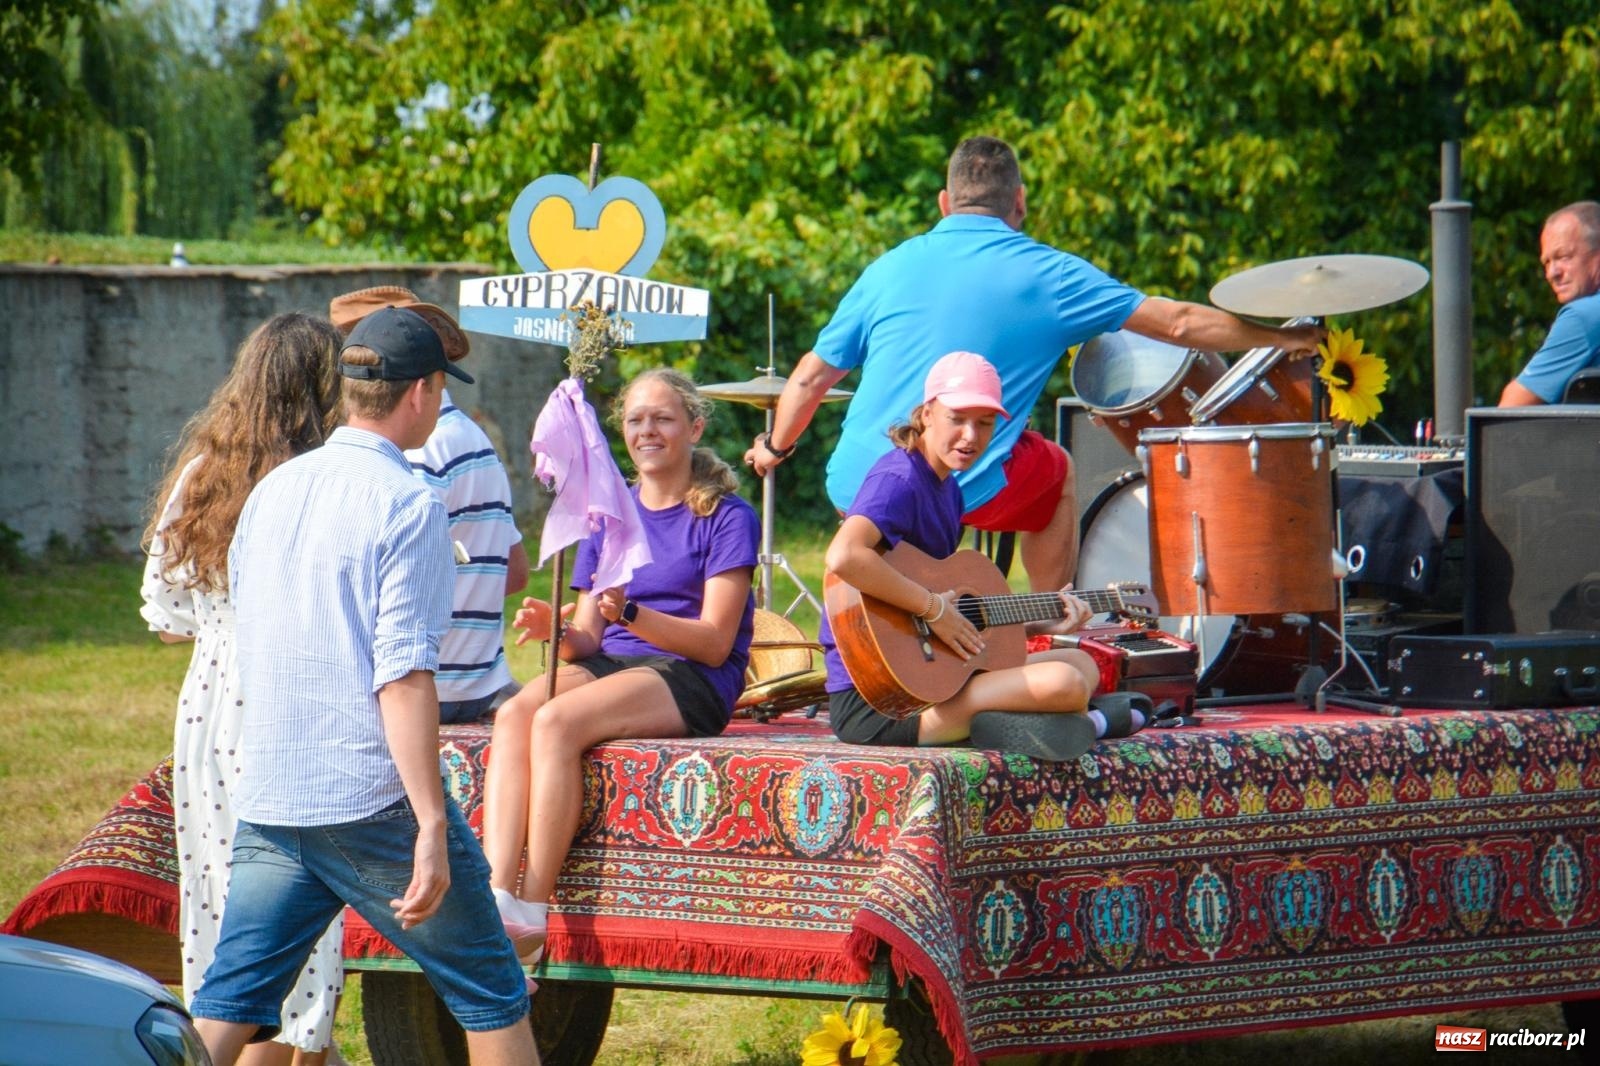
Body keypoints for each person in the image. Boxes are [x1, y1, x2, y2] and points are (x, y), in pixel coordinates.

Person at [747, 135, 1326, 593]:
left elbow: (812, 376)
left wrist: (774, 447)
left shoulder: (889, 266)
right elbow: (1176, 324)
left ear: (944, 204)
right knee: (1056, 467)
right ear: (1019, 202)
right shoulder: (1053, 275)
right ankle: (1051, 616)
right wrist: (1280, 336)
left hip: (855, 484)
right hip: (964, 488)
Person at [189, 307, 536, 1066]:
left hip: (274, 790)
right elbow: (405, 677)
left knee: (226, 1007)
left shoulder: (273, 491)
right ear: (423, 393)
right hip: (368, 796)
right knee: (493, 996)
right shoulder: (409, 504)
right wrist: (432, 826)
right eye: (441, 391)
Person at [482, 368, 759, 963]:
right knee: (515, 714)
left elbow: (714, 642)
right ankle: (495, 895)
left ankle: (532, 910)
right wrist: (557, 630)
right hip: (618, 663)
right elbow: (587, 635)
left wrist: (631, 613)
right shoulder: (608, 513)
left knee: (556, 723)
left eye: (662, 418)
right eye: (635, 419)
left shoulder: (727, 516)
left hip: (692, 675)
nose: (647, 430)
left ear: (694, 426)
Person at [140, 312, 346, 1066]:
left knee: (224, 900)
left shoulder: (205, 470)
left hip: (210, 700)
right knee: (298, 907)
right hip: (292, 700)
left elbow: (166, 614)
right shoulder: (326, 480)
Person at [821, 352, 1150, 760]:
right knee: (1063, 682)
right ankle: (1078, 722)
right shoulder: (898, 478)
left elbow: (957, 615)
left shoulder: (947, 488)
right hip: (881, 702)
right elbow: (844, 556)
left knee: (1081, 665)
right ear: (926, 414)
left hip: (933, 678)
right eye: (956, 419)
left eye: (984, 423)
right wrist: (933, 610)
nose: (970, 436)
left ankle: (1009, 724)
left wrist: (1039, 623)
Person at [330, 285, 530, 722]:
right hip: (474, 679)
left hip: (428, 686)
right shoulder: (467, 437)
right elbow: (513, 571)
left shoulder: (422, 446)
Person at [1499, 201, 1600, 406]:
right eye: (1546, 262)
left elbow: (1511, 408)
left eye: (1563, 257)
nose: (1552, 273)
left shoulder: (1584, 317)